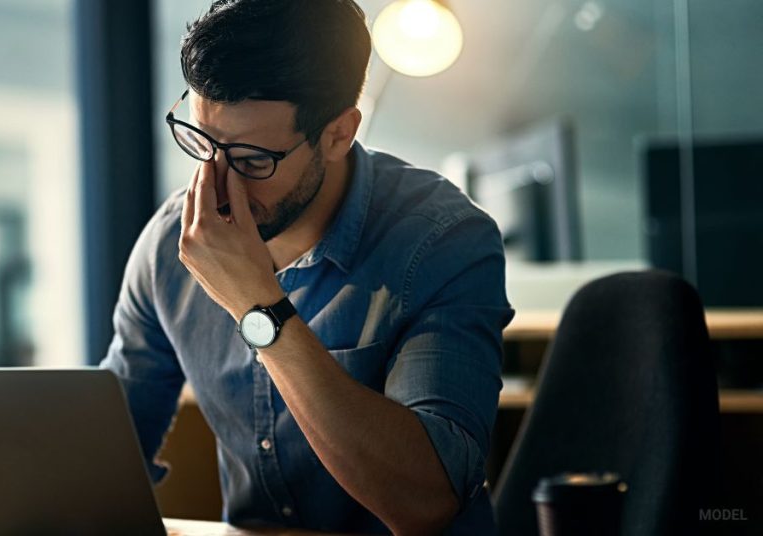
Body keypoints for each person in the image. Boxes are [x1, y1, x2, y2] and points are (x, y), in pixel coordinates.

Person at [100, 1, 514, 534]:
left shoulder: (442, 242)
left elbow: (426, 503)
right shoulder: (170, 245)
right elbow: (109, 448)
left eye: (252, 160)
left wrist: (256, 307)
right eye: (200, 142)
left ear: (339, 134)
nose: (216, 186)